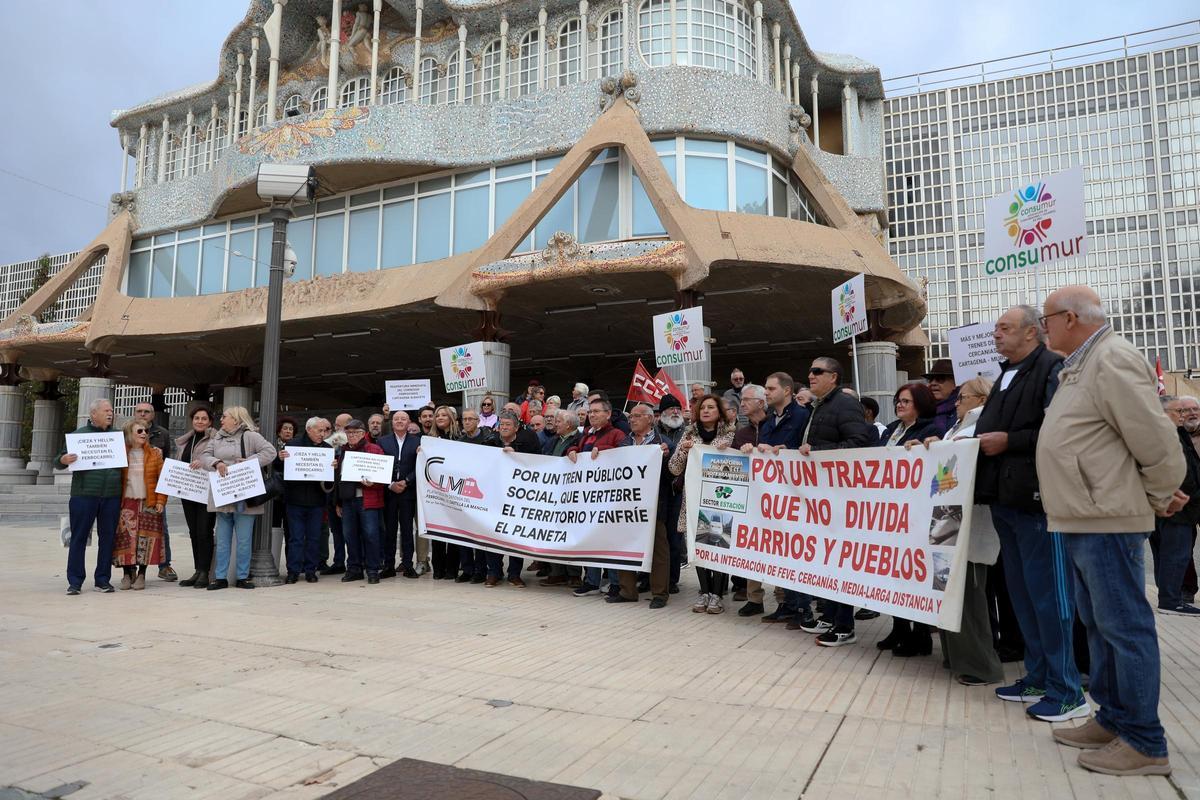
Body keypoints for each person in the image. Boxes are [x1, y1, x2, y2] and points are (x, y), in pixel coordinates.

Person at [1037, 285, 1185, 775]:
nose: (1044, 327)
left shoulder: (1112, 358)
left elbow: (1156, 437)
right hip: (1085, 515)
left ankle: (1145, 742)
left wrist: (1160, 493)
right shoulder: (1080, 364)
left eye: (1048, 318)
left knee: (1123, 626)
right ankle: (1114, 718)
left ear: (1072, 318)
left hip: (1107, 518)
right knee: (1099, 624)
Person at [973, 304, 1087, 722]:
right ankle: (1038, 676)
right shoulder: (1005, 375)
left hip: (1040, 502)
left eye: (1004, 328)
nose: (996, 335)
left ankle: (1067, 689)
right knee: (1023, 596)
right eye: (995, 329)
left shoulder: (1052, 369)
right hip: (1005, 500)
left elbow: (1064, 430)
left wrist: (1011, 441)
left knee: (1051, 597)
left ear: (1031, 332)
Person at [911, 376, 1005, 686]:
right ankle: (956, 657)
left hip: (969, 527)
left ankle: (981, 665)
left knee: (970, 602)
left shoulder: (980, 425)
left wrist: (939, 449)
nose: (956, 402)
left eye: (963, 397)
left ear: (980, 399)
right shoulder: (958, 424)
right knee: (948, 597)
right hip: (948, 526)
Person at [796, 357, 877, 645]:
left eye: (817, 371)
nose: (811, 375)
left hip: (841, 497)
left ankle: (844, 625)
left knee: (839, 560)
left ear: (834, 377)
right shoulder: (819, 406)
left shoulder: (843, 404)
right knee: (826, 558)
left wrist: (817, 450)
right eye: (810, 370)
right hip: (823, 497)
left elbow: (859, 444)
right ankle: (830, 615)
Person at [873, 383, 940, 656]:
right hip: (889, 511)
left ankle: (921, 635)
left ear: (920, 404)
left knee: (914, 573)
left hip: (915, 513)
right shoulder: (891, 429)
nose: (900, 405)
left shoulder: (931, 430)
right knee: (893, 572)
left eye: (906, 401)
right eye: (898, 400)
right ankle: (899, 628)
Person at [668, 394, 736, 614]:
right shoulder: (689, 434)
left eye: (711, 407)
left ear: (719, 411)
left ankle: (717, 594)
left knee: (719, 546)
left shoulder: (730, 433)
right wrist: (683, 450)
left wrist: (728, 449)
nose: (706, 411)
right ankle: (704, 591)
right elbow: (674, 468)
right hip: (695, 500)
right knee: (699, 546)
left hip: (722, 500)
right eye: (702, 408)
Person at [198, 406, 277, 590]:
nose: (221, 420)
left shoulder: (251, 436)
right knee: (223, 539)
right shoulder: (216, 437)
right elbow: (204, 456)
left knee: (243, 539)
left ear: (236, 419)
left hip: (244, 494)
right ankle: (220, 578)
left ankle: (243, 577)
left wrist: (249, 462)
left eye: (225, 417)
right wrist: (216, 463)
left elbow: (270, 452)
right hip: (223, 494)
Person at [609, 402, 675, 608]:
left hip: (654, 505)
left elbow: (673, 475)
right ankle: (627, 590)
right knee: (624, 546)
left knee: (658, 550)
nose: (632, 420)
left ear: (650, 418)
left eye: (637, 416)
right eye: (631, 417)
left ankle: (659, 594)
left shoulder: (664, 443)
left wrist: (664, 458)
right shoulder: (623, 444)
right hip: (626, 505)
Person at [58, 399, 122, 595]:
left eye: (111, 410)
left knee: (108, 538)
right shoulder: (78, 436)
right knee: (78, 538)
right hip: (83, 496)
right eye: (106, 411)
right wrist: (63, 459)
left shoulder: (117, 437)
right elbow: (58, 460)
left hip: (111, 496)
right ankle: (75, 581)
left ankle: (102, 579)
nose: (110, 413)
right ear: (93, 414)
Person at [568, 397, 631, 597]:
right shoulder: (586, 434)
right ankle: (592, 581)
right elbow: (575, 448)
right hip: (587, 499)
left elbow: (626, 455)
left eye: (596, 411)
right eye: (590, 412)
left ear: (608, 414)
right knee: (590, 540)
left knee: (608, 541)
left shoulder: (617, 434)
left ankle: (614, 583)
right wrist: (571, 451)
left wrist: (604, 451)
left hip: (608, 498)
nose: (592, 415)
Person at [1149, 396, 1200, 615]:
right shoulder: (1163, 434)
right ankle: (1170, 600)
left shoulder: (1178, 433)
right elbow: (1179, 471)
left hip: (1183, 505)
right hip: (1177, 505)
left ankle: (1171, 597)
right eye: (1178, 411)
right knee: (1175, 554)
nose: (1183, 415)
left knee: (1176, 553)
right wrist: (1194, 495)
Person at [276, 416, 333, 583]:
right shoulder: (293, 446)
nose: (322, 434)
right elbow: (280, 469)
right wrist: (280, 459)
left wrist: (333, 469)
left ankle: (310, 570)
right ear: (309, 429)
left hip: (317, 501)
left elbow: (331, 481)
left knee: (314, 537)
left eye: (324, 431)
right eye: (319, 430)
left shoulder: (327, 449)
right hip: (295, 500)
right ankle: (293, 571)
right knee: (295, 537)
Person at [113, 419, 167, 591]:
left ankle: (142, 574)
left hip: (148, 502)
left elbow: (162, 480)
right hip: (126, 502)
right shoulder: (120, 454)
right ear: (129, 434)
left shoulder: (155, 454)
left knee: (147, 540)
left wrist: (160, 501)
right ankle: (128, 574)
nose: (144, 434)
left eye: (145, 431)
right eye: (139, 431)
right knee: (125, 540)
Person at [333, 419, 386, 584]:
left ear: (363, 433)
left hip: (368, 499)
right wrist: (338, 502)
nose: (352, 435)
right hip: (348, 500)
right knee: (350, 535)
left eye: (355, 432)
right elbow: (338, 480)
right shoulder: (342, 451)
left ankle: (372, 570)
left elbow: (383, 475)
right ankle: (354, 568)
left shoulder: (374, 449)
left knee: (371, 535)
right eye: (349, 433)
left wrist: (373, 482)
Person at [491, 410, 538, 587]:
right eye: (501, 425)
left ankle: (514, 574)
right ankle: (494, 572)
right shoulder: (491, 441)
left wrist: (517, 454)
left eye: (507, 425)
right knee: (492, 533)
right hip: (495, 496)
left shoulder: (528, 441)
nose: (503, 428)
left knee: (515, 535)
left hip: (519, 497)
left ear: (516, 427)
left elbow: (538, 463)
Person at [132, 401, 177, 581]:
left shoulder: (163, 434)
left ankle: (164, 565)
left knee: (161, 527)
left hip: (154, 488)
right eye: (139, 411)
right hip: (131, 488)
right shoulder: (125, 432)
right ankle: (130, 567)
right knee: (131, 528)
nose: (142, 414)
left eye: (146, 412)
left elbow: (167, 462)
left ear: (153, 415)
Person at [176, 405, 216, 588]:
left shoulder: (215, 438)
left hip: (206, 492)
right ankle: (197, 570)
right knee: (193, 532)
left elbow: (220, 460)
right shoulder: (186, 440)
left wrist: (205, 463)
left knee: (204, 532)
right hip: (188, 491)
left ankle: (205, 571)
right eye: (197, 418)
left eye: (204, 418)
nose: (200, 421)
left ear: (210, 422)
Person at [378, 410, 421, 579]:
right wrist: (390, 484)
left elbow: (420, 466)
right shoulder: (382, 441)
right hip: (388, 492)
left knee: (407, 529)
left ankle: (408, 564)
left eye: (403, 419)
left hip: (407, 492)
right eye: (397, 419)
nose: (400, 421)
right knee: (389, 530)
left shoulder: (418, 442)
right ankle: (388, 565)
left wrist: (407, 481)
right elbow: (379, 465)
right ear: (392, 422)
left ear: (409, 421)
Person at [924, 359, 959, 436]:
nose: (933, 383)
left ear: (955, 384)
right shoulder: (922, 410)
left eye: (940, 379)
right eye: (930, 380)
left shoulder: (963, 410)